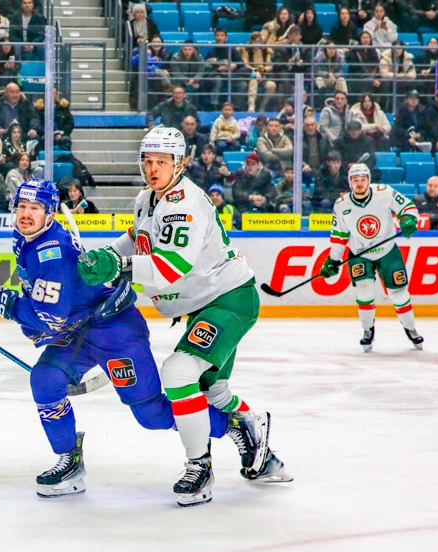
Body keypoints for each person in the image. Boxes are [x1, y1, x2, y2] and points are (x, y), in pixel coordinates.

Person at [77, 127, 291, 506]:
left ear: (180, 163)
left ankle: (200, 467)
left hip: (229, 300)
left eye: (161, 162)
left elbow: (169, 268)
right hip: (205, 306)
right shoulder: (147, 199)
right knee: (212, 389)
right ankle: (255, 434)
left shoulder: (186, 203)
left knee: (178, 371)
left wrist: (115, 266)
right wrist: (104, 254)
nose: (153, 168)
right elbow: (137, 238)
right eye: (147, 161)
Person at [0, 179, 210, 495]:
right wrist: (6, 300)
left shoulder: (54, 251)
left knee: (152, 414)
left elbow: (50, 317)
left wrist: (7, 304)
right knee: (45, 379)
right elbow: (48, 302)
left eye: (35, 208)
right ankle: (69, 461)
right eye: (22, 207)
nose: (26, 214)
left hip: (115, 330)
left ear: (50, 213)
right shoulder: (24, 237)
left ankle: (235, 426)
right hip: (79, 328)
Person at [321, 163, 423, 351]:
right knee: (364, 291)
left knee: (399, 293)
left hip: (388, 251)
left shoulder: (384, 192)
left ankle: (411, 329)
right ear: (349, 183)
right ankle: (368, 331)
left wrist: (409, 219)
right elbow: (338, 236)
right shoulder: (341, 204)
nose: (359, 184)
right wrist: (333, 260)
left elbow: (407, 207)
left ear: (369, 180)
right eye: (355, 180)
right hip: (359, 254)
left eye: (362, 179)